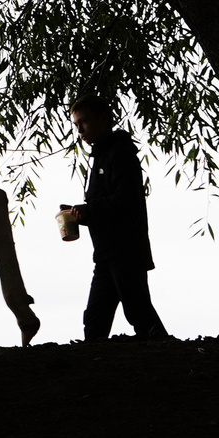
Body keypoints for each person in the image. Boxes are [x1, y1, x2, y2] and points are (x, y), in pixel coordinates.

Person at [57, 91, 170, 341]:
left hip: (125, 250)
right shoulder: (101, 154)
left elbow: (126, 201)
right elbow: (108, 203)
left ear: (104, 119)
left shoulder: (120, 152)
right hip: (107, 253)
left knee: (138, 312)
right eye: (77, 125)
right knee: (97, 318)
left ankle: (169, 356)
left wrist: (89, 210)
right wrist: (80, 213)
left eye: (83, 122)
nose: (80, 131)